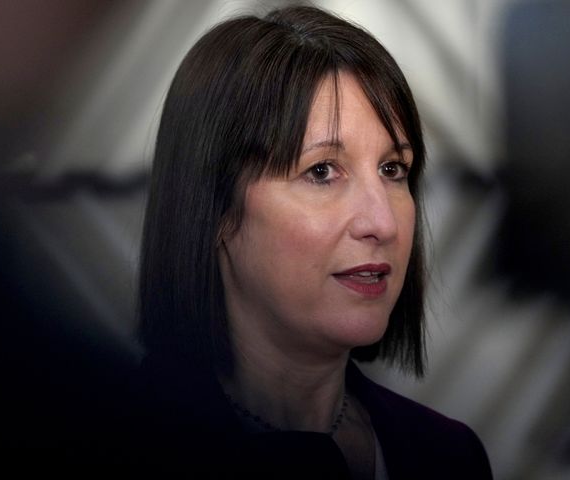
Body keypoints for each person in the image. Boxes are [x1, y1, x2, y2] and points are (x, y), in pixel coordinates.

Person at [137, 5, 492, 479]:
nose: (382, 223)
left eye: (393, 170)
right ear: (215, 206)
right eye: (321, 171)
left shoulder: (449, 457)